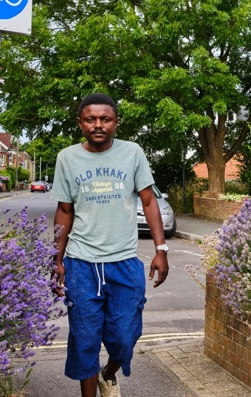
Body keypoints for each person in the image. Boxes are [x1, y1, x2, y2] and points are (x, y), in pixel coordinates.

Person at [50, 93, 169, 397]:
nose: (98, 124)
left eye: (106, 119)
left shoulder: (132, 153)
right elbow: (65, 210)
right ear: (80, 123)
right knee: (85, 338)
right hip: (81, 264)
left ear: (116, 122)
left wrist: (160, 249)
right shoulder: (67, 158)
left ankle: (109, 373)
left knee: (126, 336)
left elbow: (148, 200)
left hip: (124, 262)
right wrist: (56, 258)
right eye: (91, 119)